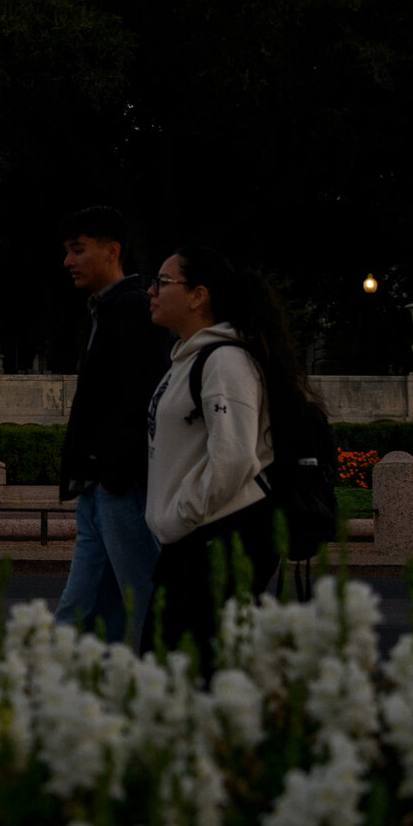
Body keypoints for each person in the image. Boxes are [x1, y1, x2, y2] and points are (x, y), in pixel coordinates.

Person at [143, 244, 295, 664]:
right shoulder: (186, 360)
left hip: (216, 544)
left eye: (163, 282)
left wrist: (183, 514)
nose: (152, 291)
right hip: (193, 544)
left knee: (183, 674)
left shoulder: (224, 360)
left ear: (198, 295)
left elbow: (234, 459)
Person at [54, 206, 172, 644]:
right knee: (84, 606)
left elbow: (140, 399)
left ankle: (160, 686)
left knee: (136, 599)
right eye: (68, 250)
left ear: (112, 251)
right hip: (101, 484)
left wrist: (110, 475)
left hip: (116, 486)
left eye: (78, 250)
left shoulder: (132, 309)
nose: (68, 261)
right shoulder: (108, 308)